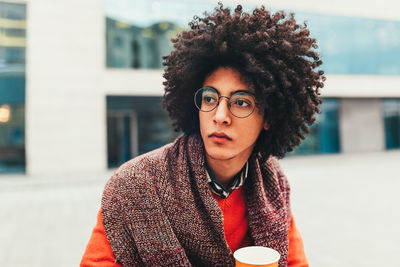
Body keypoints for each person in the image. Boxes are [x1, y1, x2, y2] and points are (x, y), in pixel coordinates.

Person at [81, 3, 324, 267]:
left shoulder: (272, 183)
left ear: (270, 117)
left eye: (241, 102)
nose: (220, 115)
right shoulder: (134, 186)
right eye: (210, 98)